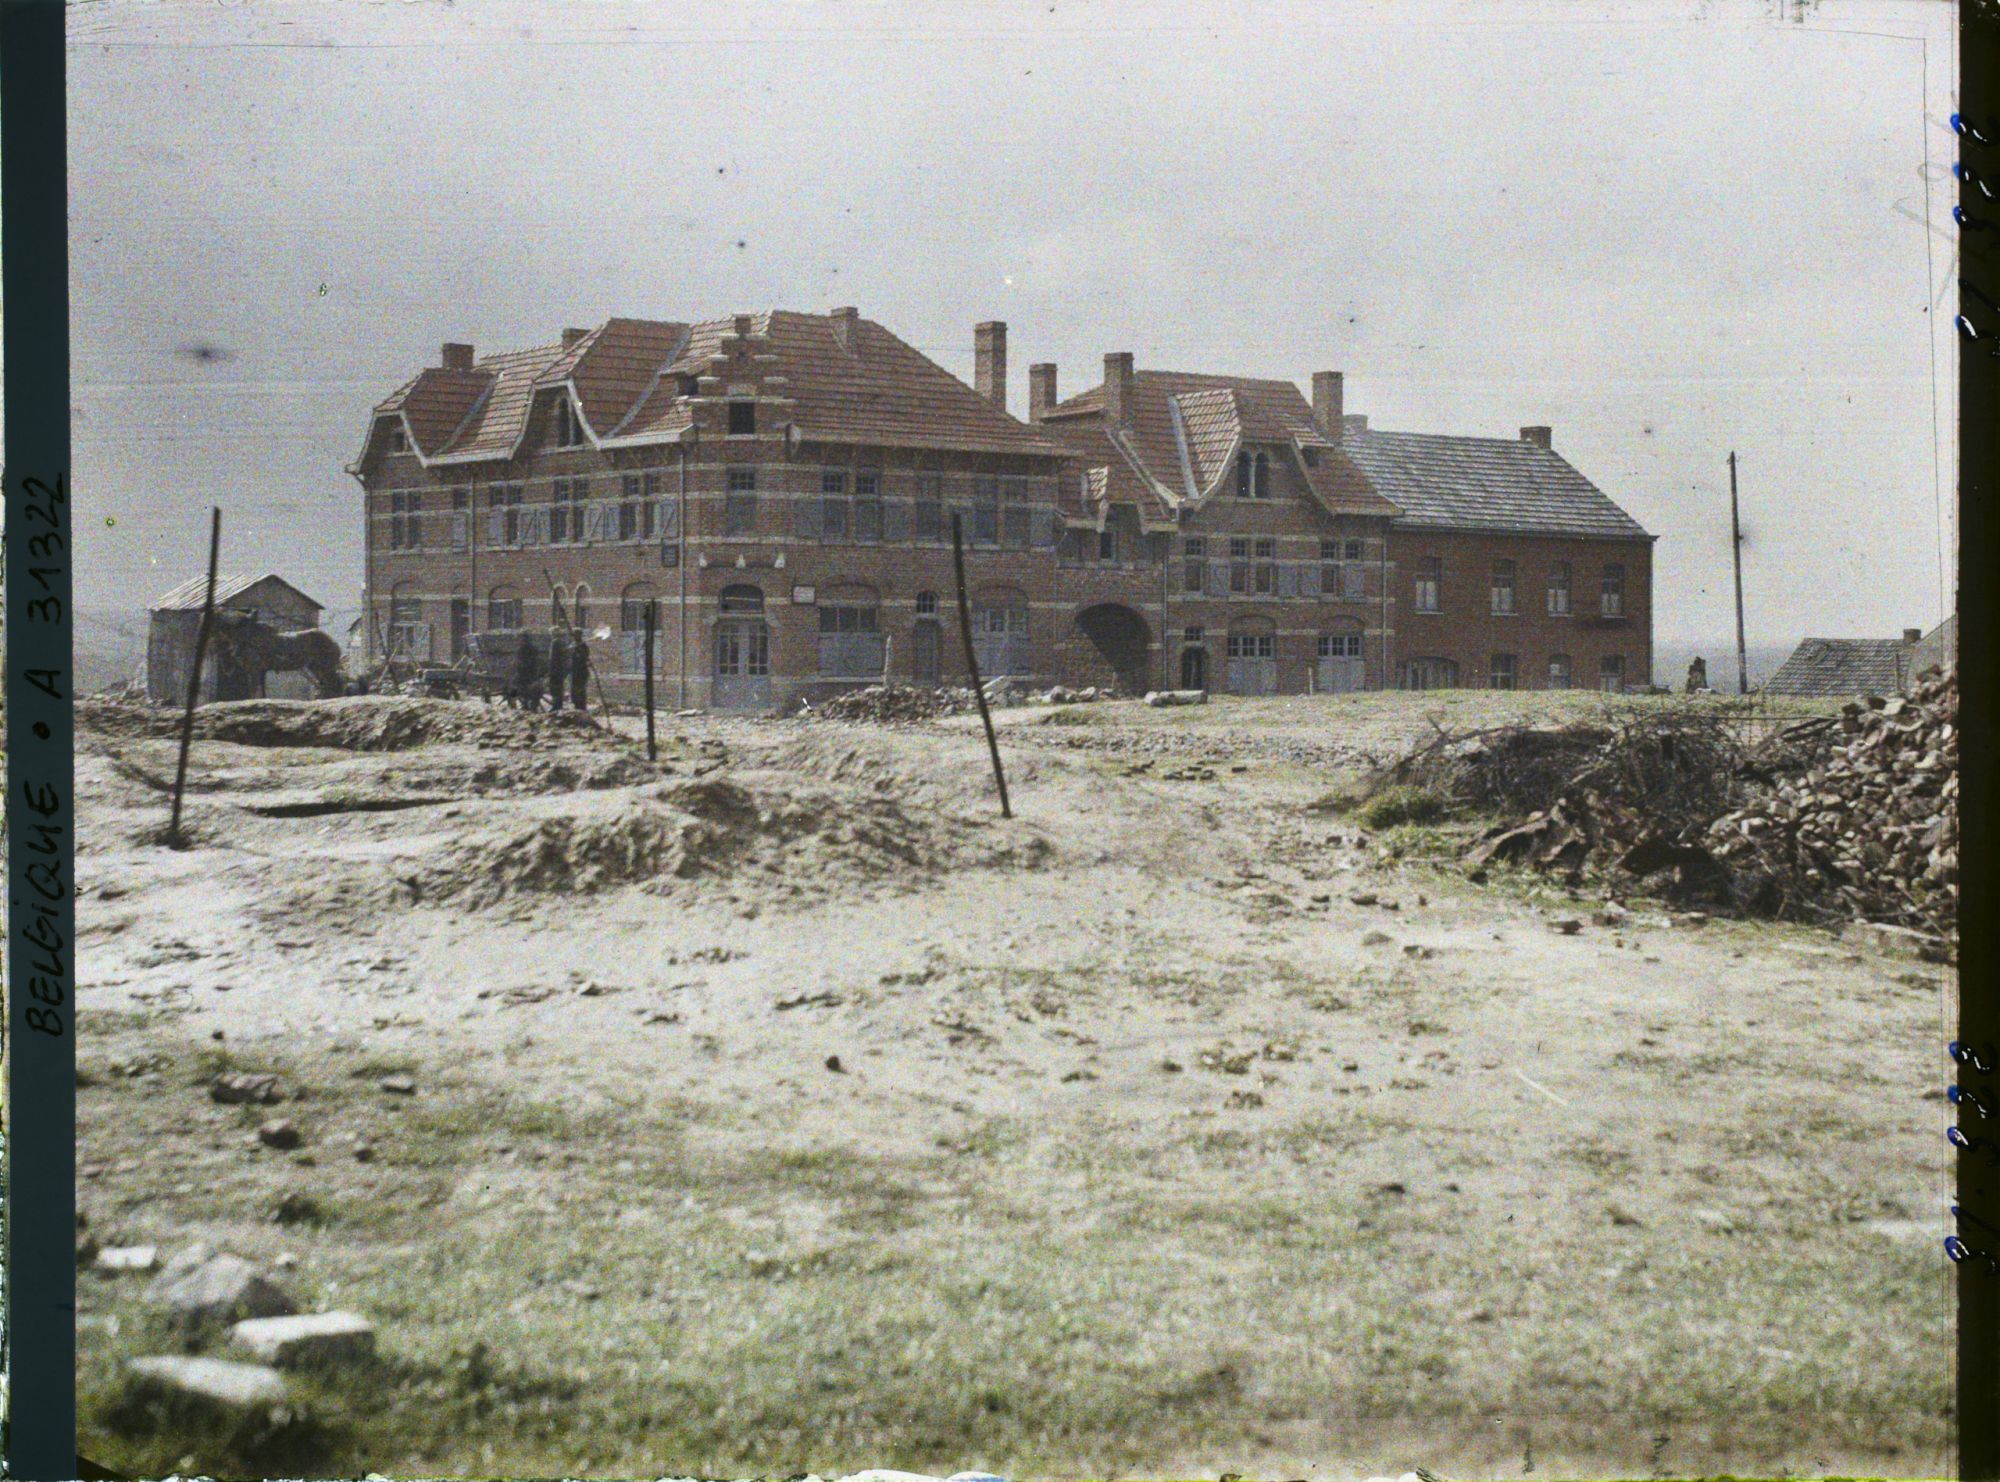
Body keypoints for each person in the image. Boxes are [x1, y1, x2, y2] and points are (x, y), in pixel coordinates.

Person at [511, 631, 544, 712]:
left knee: (513, 685)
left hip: (523, 674)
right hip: (534, 674)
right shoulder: (534, 649)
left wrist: (516, 666)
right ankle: (528, 704)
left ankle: (516, 702)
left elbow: (518, 663)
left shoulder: (520, 650)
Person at [547, 627, 571, 712]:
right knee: (559, 687)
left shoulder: (555, 642)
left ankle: (556, 706)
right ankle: (558, 705)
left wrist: (551, 669)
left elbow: (553, 658)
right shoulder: (562, 642)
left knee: (555, 688)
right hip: (561, 669)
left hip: (556, 669)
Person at [568, 628, 590, 713]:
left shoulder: (583, 646)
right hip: (574, 671)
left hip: (581, 671)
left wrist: (578, 652)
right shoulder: (573, 644)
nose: (575, 636)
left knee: (580, 690)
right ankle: (576, 706)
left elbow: (584, 657)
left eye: (577, 634)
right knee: (574, 690)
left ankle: (581, 708)